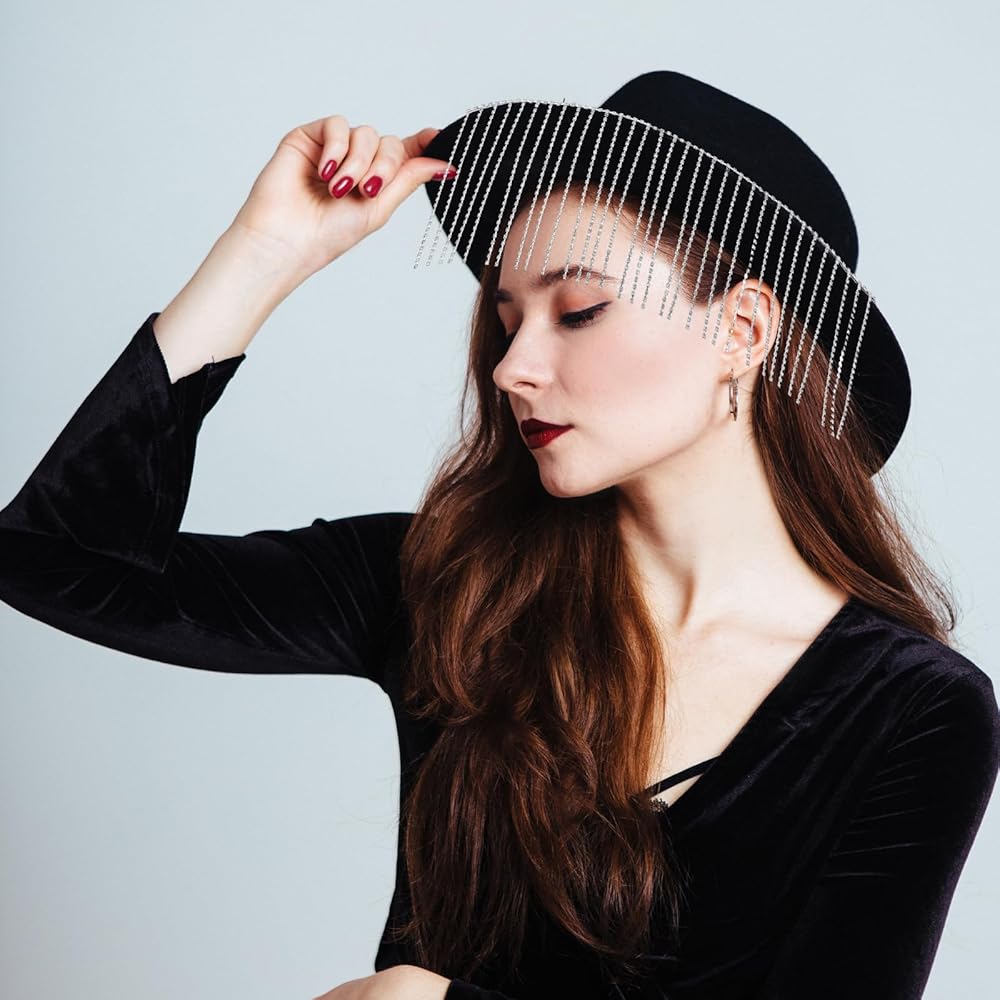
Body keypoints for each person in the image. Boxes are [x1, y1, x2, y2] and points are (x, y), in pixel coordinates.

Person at [1, 71, 998, 1000]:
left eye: (579, 309)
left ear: (742, 329)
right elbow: (54, 556)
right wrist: (266, 253)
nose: (513, 366)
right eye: (508, 318)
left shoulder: (913, 708)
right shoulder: (451, 582)